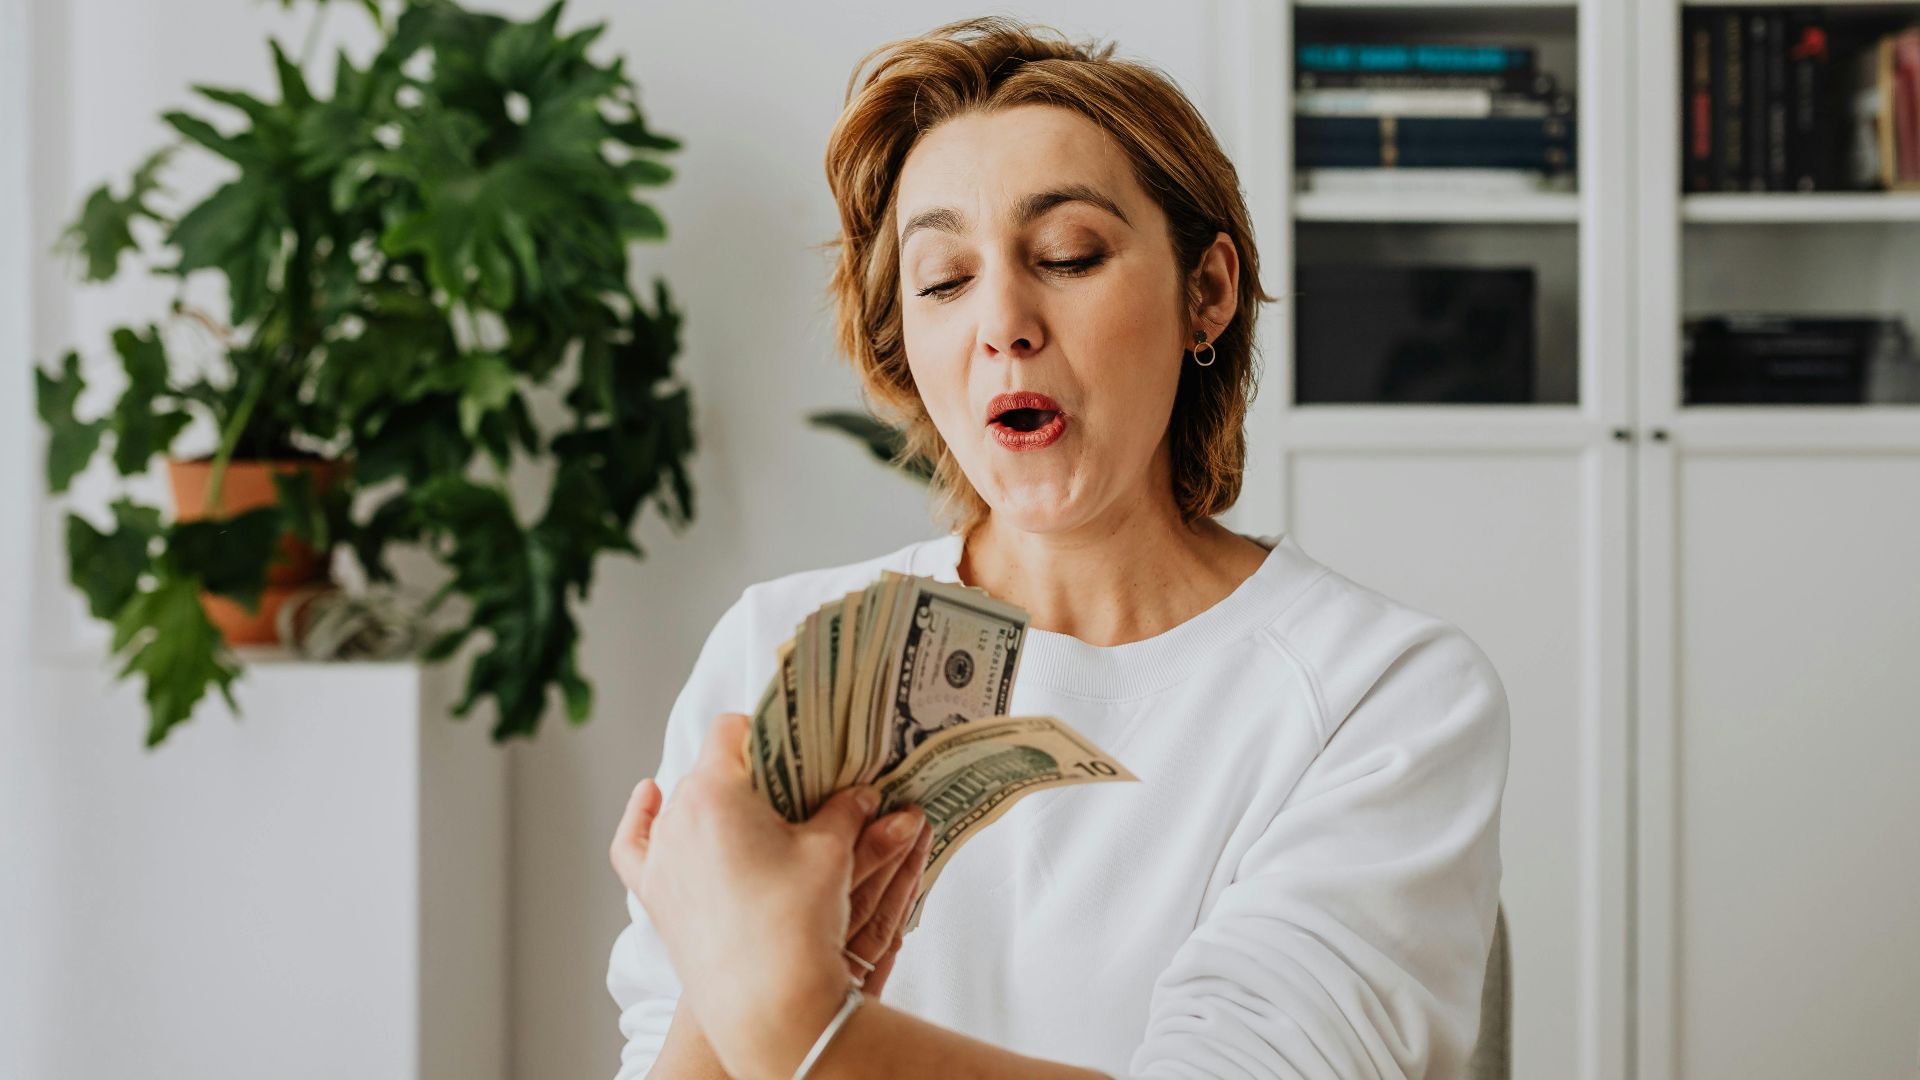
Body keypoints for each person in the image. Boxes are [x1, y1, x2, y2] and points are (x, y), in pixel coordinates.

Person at [606, 15, 1510, 1080]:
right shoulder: (774, 648)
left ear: (1206, 292)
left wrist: (798, 1018)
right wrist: (741, 988)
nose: (1003, 321)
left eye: (1068, 255)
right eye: (942, 280)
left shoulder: (1384, 691)